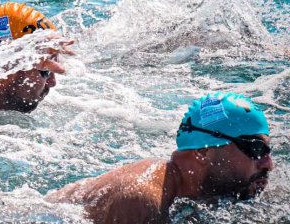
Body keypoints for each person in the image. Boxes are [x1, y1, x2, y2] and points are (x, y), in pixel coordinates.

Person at [47, 92, 274, 224]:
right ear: (203, 151)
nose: (268, 163)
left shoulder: (207, 186)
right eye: (255, 149)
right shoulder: (140, 200)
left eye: (268, 151)